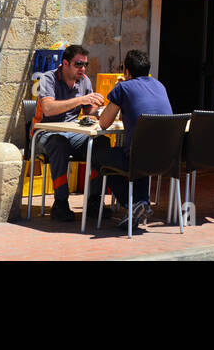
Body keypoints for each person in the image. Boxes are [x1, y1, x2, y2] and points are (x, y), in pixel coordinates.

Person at [95, 49, 174, 228]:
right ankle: (142, 203)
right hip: (167, 160)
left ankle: (132, 205)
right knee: (140, 152)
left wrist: (120, 91)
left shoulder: (123, 87)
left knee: (98, 155)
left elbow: (104, 124)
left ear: (127, 71)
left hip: (138, 159)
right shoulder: (159, 85)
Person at [33, 44, 107, 222]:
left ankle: (94, 200)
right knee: (59, 143)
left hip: (73, 133)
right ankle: (60, 202)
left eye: (85, 65)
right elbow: (49, 108)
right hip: (45, 132)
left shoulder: (85, 81)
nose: (82, 68)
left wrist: (99, 109)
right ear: (65, 63)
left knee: (101, 143)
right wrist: (80, 99)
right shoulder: (47, 79)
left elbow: (89, 112)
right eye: (78, 64)